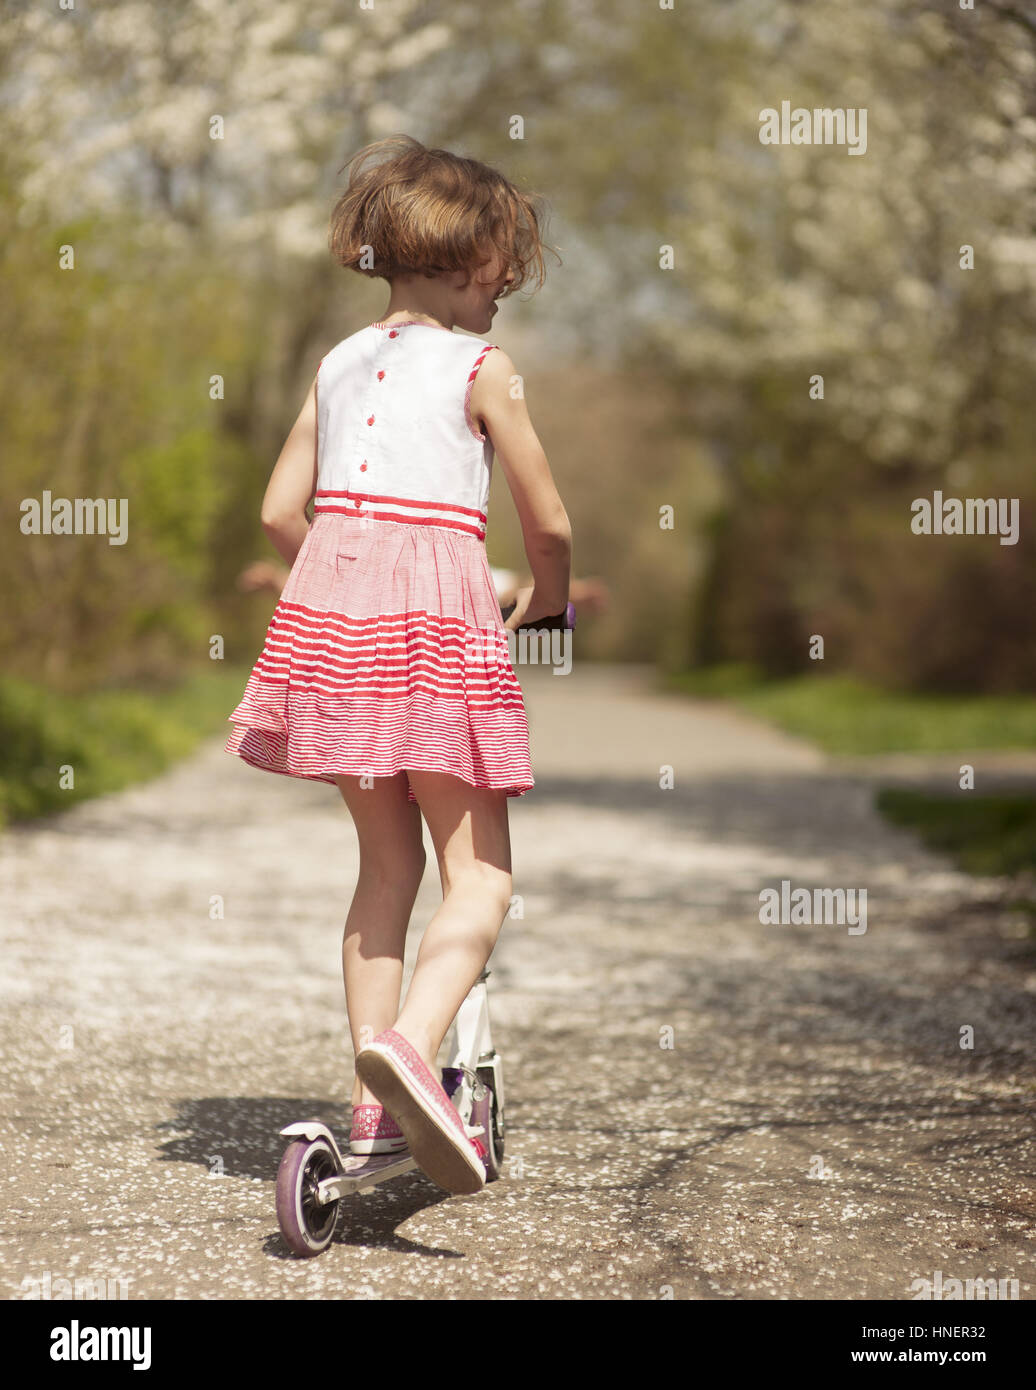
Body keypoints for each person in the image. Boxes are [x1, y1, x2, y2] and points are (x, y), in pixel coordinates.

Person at [224, 135, 571, 1195]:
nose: (504, 290)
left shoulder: (339, 362)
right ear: (466, 261)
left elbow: (282, 511)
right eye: (499, 270)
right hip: (438, 638)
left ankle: (372, 1115)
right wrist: (543, 598)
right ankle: (413, 1047)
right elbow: (548, 523)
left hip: (333, 632)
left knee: (384, 871)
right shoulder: (482, 368)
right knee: (484, 875)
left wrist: (343, 572)